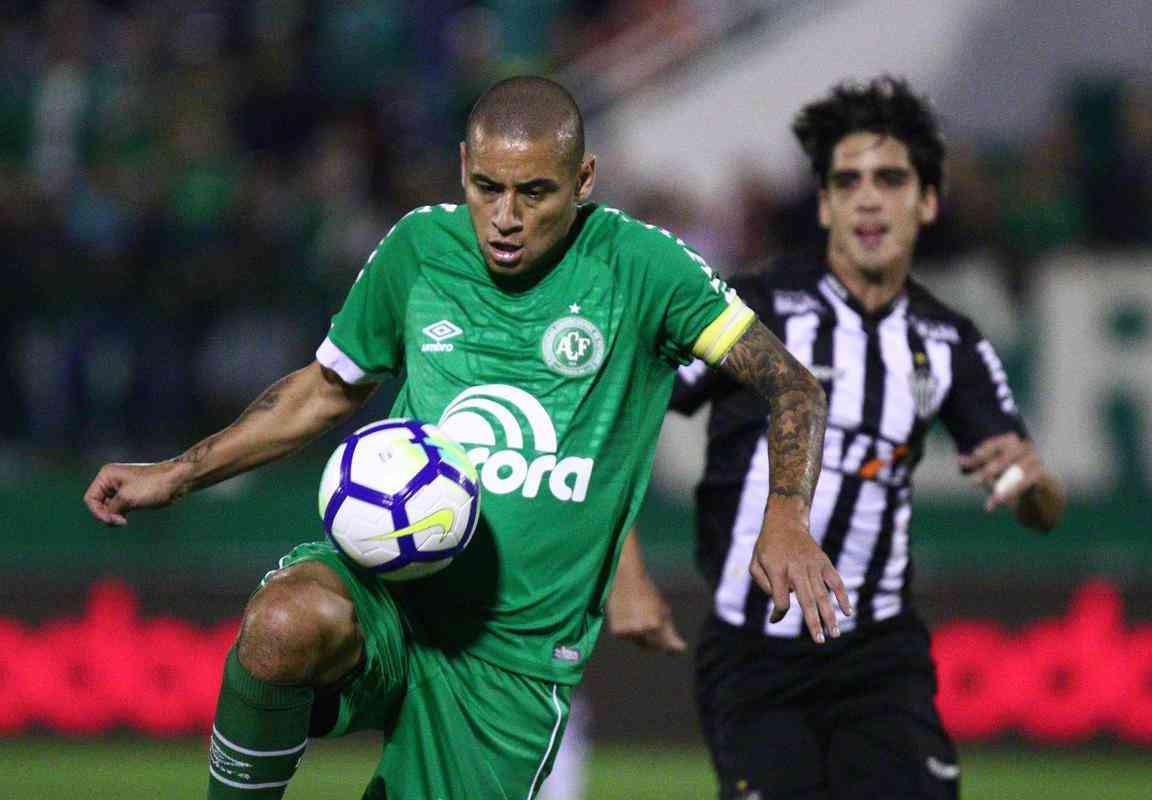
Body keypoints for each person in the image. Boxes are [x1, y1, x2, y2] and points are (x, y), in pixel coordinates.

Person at [83, 76, 845, 800]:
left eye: (534, 192)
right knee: (284, 622)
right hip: (386, 592)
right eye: (487, 188)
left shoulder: (643, 269)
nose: (505, 216)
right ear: (463, 169)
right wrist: (179, 473)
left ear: (583, 181)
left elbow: (791, 384)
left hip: (508, 659)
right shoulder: (420, 250)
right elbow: (321, 393)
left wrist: (785, 516)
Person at [610, 75, 1067, 800]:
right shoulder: (750, 312)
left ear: (926, 201)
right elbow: (617, 422)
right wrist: (626, 574)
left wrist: (1034, 485)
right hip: (754, 656)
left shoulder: (949, 342)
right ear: (824, 204)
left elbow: (1036, 506)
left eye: (890, 178)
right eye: (846, 180)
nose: (867, 197)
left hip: (880, 658)